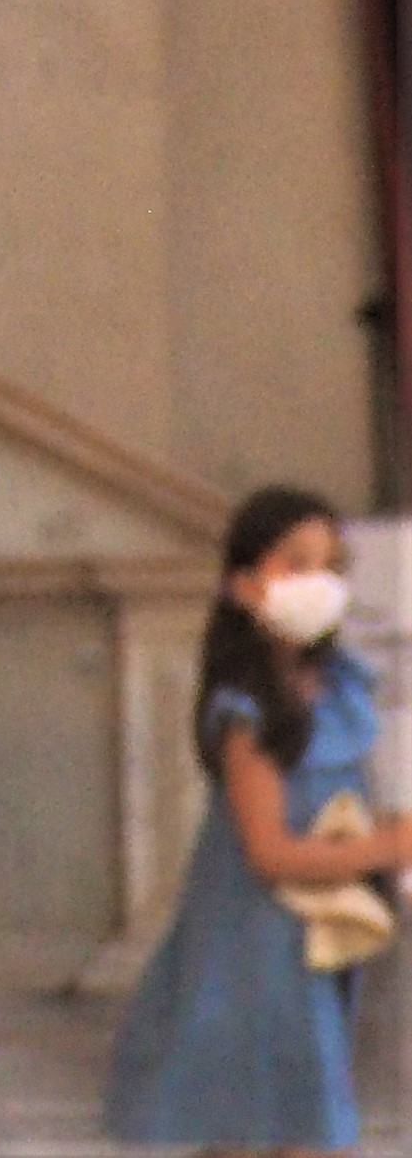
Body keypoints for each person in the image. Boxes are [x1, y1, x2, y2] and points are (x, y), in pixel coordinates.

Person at [109, 484, 410, 1155]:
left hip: (317, 935)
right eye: (294, 564)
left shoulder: (337, 684)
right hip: (254, 943)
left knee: (295, 1116)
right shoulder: (246, 709)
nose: (319, 582)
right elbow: (269, 852)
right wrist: (385, 845)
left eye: (331, 565)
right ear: (244, 584)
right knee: (258, 1117)